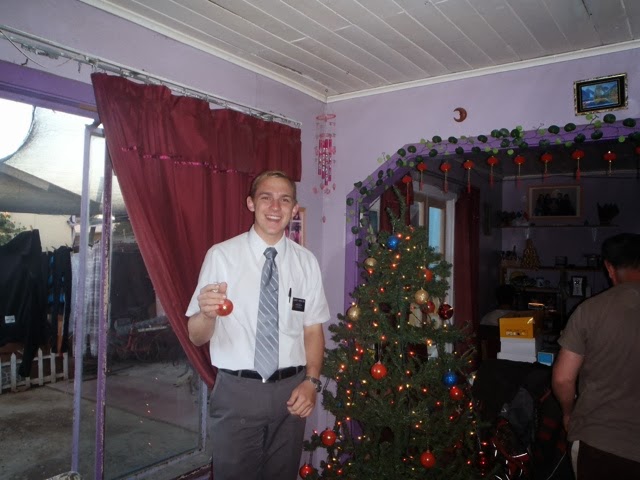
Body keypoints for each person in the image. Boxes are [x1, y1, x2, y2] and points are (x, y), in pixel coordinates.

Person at [186, 170, 331, 480]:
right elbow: (196, 336)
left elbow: (312, 330)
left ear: (294, 208)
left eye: (284, 200)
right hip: (237, 393)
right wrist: (207, 315)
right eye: (266, 197)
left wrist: (312, 381)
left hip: (292, 393)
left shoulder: (306, 262)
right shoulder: (222, 256)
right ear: (251, 203)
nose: (275, 207)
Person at [552, 233, 640, 479]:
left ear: (609, 268)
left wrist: (568, 413)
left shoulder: (590, 310)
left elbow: (562, 379)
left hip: (600, 441)